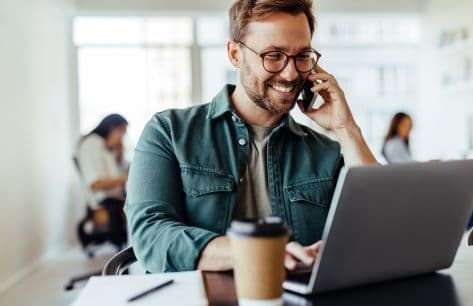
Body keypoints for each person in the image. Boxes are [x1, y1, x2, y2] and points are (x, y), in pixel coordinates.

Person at [125, 0, 377, 273]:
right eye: (274, 55)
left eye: (302, 56)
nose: (291, 72)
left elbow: (380, 226)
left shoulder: (325, 152)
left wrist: (346, 128)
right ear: (235, 54)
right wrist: (259, 252)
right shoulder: (169, 132)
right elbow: (151, 233)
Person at [76, 113, 129, 245]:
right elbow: (95, 183)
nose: (122, 137)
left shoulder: (104, 147)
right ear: (111, 128)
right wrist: (124, 178)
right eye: (121, 132)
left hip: (114, 198)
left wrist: (119, 152)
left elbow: (114, 172)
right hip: (105, 201)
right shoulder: (92, 144)